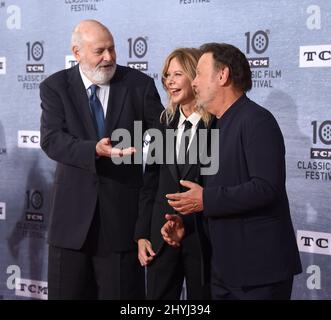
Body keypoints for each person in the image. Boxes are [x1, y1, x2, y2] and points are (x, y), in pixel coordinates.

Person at [163, 43, 302, 300]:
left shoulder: (257, 120)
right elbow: (217, 192)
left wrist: (204, 200)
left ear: (222, 75)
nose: (194, 82)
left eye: (200, 74)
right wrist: (187, 225)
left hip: (259, 273)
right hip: (223, 270)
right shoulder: (215, 126)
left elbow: (266, 187)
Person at [39, 19, 163, 299]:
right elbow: (52, 140)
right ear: (77, 52)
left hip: (121, 223)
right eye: (99, 51)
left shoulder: (138, 85)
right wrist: (94, 149)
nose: (108, 57)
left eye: (112, 49)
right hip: (70, 227)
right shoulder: (55, 87)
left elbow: (162, 140)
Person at [134, 48, 211, 299]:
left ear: (194, 77)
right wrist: (143, 234)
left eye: (178, 74)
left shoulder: (217, 124)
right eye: (167, 75)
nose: (169, 81)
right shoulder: (162, 123)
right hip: (161, 236)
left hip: (203, 239)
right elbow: (150, 183)